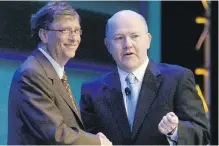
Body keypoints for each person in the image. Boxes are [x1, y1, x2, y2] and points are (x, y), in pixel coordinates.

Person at [80, 10, 210, 145]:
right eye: (119, 38)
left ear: (148, 40)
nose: (128, 44)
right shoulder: (91, 90)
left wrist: (176, 131)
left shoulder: (178, 78)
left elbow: (203, 134)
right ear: (108, 46)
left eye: (135, 36)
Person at [7, 2, 112, 145]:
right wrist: (98, 142)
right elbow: (55, 134)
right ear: (44, 35)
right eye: (65, 31)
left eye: (77, 31)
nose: (74, 38)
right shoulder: (32, 74)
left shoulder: (51, 70)